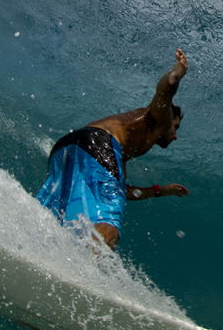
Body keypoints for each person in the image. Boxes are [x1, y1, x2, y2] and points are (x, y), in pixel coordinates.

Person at [36, 48, 190, 251]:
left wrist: (160, 191)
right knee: (109, 221)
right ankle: (91, 267)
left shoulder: (124, 148)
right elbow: (163, 94)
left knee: (55, 213)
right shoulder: (163, 118)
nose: (175, 136)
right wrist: (174, 77)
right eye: (176, 128)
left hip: (66, 147)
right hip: (98, 143)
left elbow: (119, 191)